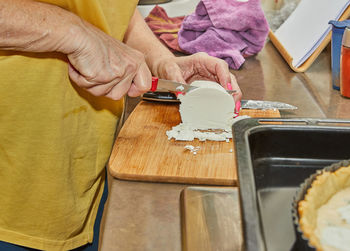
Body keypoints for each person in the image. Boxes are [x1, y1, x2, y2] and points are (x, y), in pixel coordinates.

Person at [0, 0, 242, 250]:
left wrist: (161, 61)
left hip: (82, 180)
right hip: (12, 191)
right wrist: (74, 31)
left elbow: (109, 10)